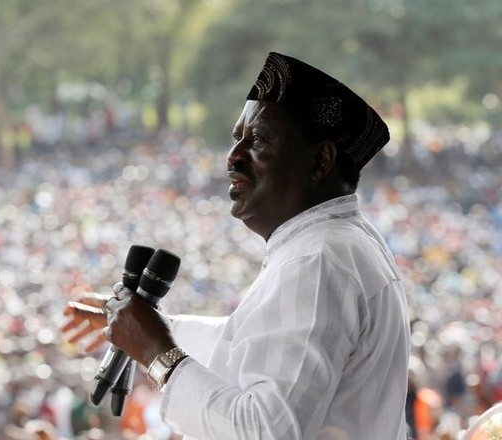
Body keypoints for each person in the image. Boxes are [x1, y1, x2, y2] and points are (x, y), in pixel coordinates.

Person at [62, 52, 411, 439]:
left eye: (258, 140)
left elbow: (265, 431)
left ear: (319, 161)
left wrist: (158, 354)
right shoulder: (340, 243)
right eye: (237, 139)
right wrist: (152, 327)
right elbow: (253, 347)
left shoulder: (318, 260)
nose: (233, 157)